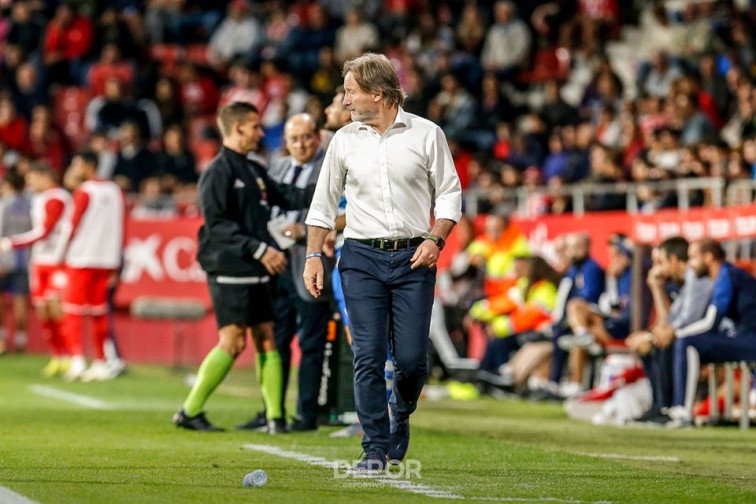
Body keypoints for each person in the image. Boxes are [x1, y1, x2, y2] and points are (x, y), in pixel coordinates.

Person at [303, 53, 462, 471]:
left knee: (411, 361)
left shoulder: (428, 134)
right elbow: (321, 207)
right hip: (360, 258)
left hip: (415, 258)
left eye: (351, 92)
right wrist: (313, 255)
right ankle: (374, 446)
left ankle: (401, 409)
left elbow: (449, 194)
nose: (345, 100)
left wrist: (436, 238)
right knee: (368, 354)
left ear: (379, 93)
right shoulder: (343, 139)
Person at [172, 102, 315, 434]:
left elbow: (291, 196)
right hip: (229, 266)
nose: (261, 132)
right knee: (234, 340)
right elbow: (217, 224)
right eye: (255, 126)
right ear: (237, 128)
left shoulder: (254, 170)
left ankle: (276, 418)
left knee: (266, 337)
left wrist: (336, 185)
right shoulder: (217, 171)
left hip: (257, 265)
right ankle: (189, 410)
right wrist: (260, 248)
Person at [236, 113, 332, 432]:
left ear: (317, 137)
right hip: (278, 264)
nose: (301, 144)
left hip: (310, 262)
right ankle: (271, 411)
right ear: (286, 143)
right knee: (274, 340)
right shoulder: (276, 168)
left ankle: (306, 415)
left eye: (306, 137)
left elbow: (338, 210)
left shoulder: (329, 167)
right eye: (294, 139)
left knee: (311, 342)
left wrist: (302, 232)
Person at [663, 239, 756, 427]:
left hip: (751, 341)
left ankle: (682, 410)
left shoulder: (727, 275)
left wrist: (676, 333)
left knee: (686, 341)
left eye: (693, 257)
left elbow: (710, 323)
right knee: (684, 341)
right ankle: (670, 406)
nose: (690, 263)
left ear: (708, 257)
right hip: (743, 337)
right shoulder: (724, 275)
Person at [625, 236, 713, 424]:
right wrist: (656, 288)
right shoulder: (678, 283)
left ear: (673, 260)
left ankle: (668, 408)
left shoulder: (696, 278)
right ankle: (659, 405)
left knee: (661, 342)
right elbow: (668, 321)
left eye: (659, 262)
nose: (655, 269)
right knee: (652, 343)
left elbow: (686, 321)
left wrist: (651, 337)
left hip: (705, 336)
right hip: (690, 334)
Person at [59, 151, 126, 382]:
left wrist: (60, 254)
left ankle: (77, 360)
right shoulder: (115, 190)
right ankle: (100, 361)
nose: (75, 168)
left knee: (73, 310)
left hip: (83, 258)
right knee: (99, 312)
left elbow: (71, 226)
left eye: (77, 163)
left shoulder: (85, 191)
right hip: (107, 260)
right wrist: (116, 262)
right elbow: (122, 226)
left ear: (88, 166)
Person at [0, 162, 72, 376]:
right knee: (43, 310)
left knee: (56, 309)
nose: (29, 183)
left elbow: (45, 232)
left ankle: (70, 355)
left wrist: (12, 242)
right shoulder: (38, 199)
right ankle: (57, 356)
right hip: (38, 261)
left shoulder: (58, 197)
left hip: (56, 261)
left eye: (31, 177)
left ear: (44, 176)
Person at [0, 171, 31, 355]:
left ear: (9, 186)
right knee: (21, 302)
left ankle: (2, 341)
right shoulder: (30, 205)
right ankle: (21, 342)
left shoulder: (3, 205)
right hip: (24, 260)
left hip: (5, 258)